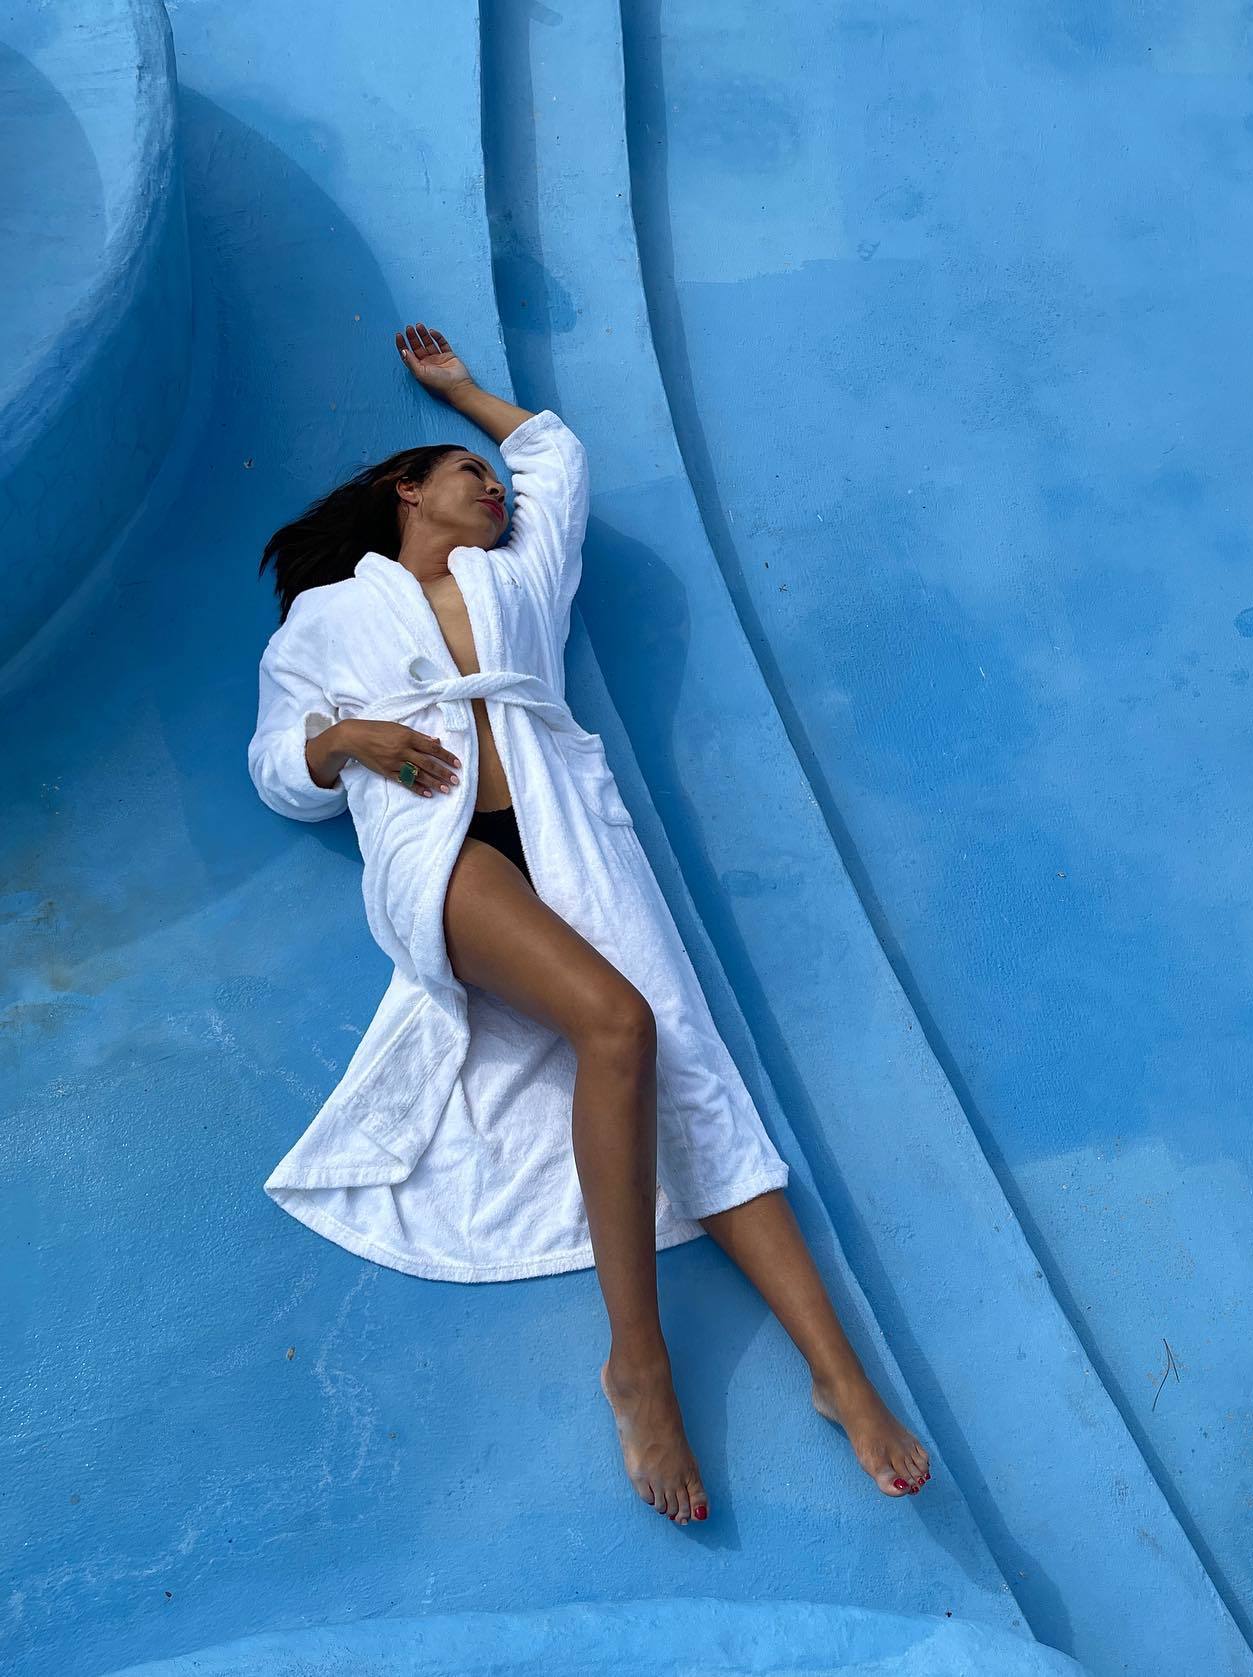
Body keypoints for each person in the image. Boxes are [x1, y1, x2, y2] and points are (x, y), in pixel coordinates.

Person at [248, 320, 931, 1526]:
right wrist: (348, 737)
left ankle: (840, 1377)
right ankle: (639, 1364)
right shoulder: (326, 619)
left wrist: (469, 394)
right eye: (468, 475)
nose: (494, 492)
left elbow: (555, 456)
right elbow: (274, 769)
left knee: (690, 1072)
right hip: (440, 849)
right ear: (406, 489)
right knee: (618, 1026)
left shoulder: (519, 575)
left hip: (570, 833)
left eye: (494, 483)